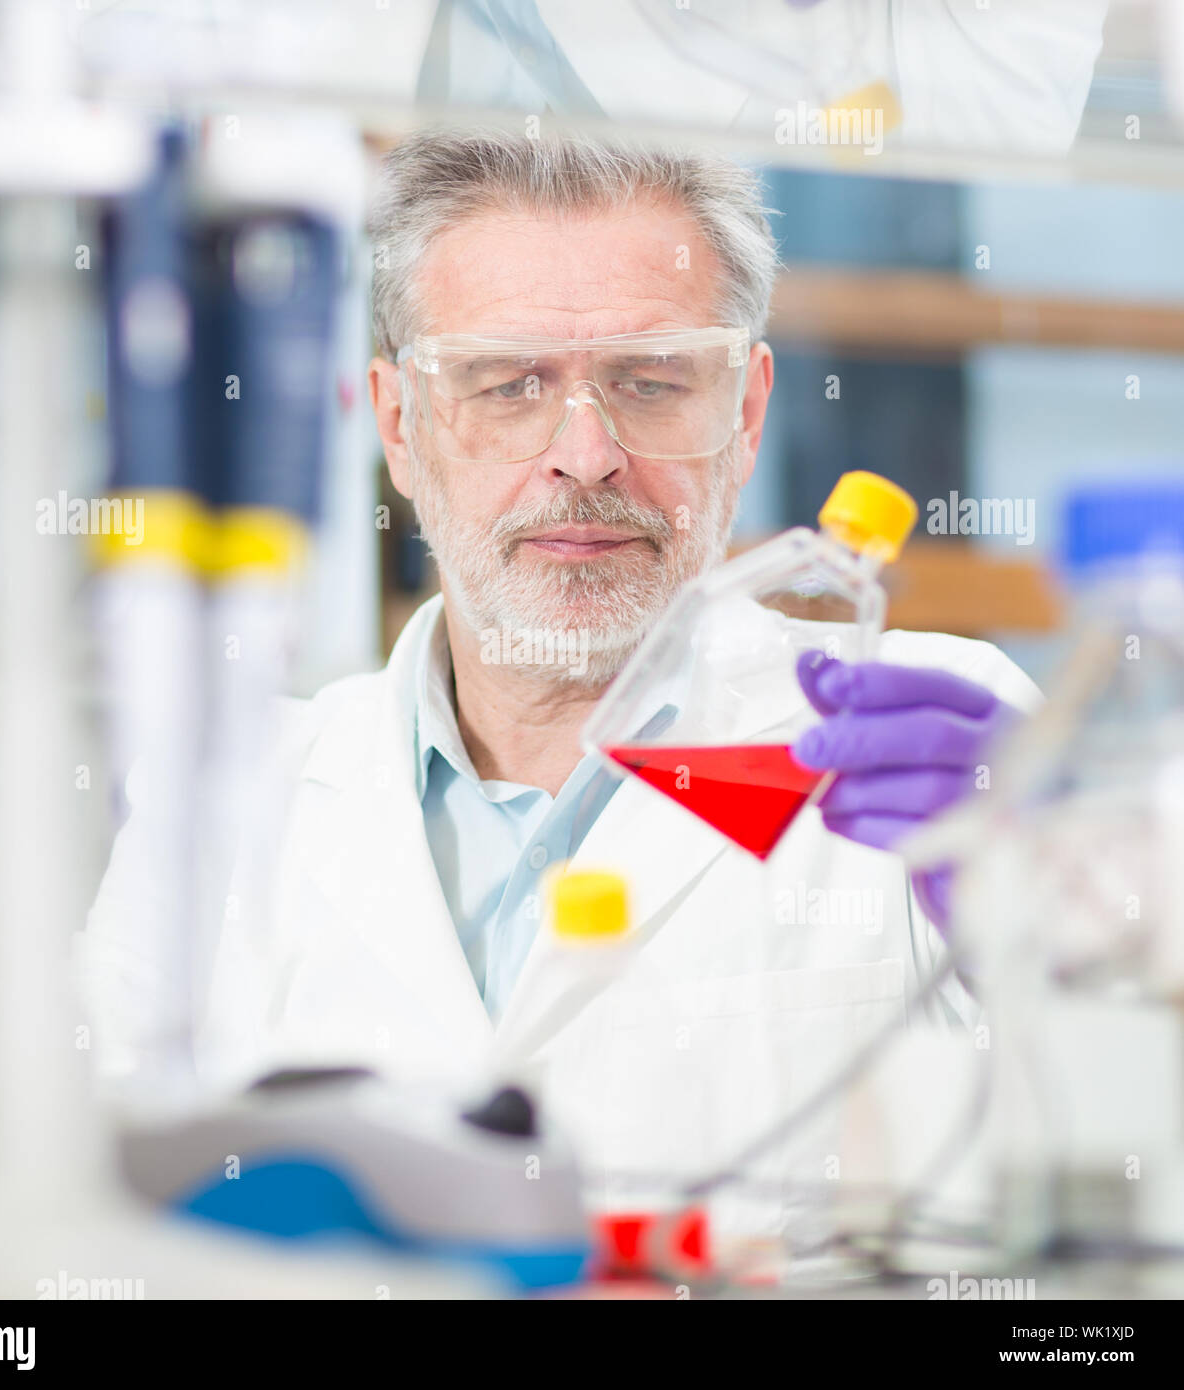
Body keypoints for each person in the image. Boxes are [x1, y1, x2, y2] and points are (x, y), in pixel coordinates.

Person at [85, 128, 1039, 1228]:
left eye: (650, 379)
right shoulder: (219, 798)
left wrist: (1054, 908)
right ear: (398, 425)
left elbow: (1114, 1123)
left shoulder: (928, 745)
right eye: (506, 383)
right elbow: (74, 1196)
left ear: (744, 410)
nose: (583, 454)